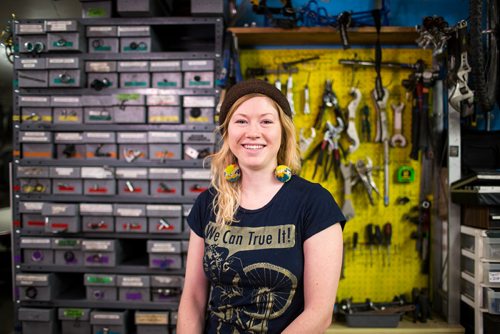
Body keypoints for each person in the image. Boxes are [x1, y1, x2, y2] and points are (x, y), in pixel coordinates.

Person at [177, 79, 346, 333]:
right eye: (241, 121)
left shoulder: (314, 204)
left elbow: (319, 314)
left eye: (266, 121)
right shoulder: (207, 203)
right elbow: (192, 298)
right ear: (227, 132)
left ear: (283, 131)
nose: (253, 132)